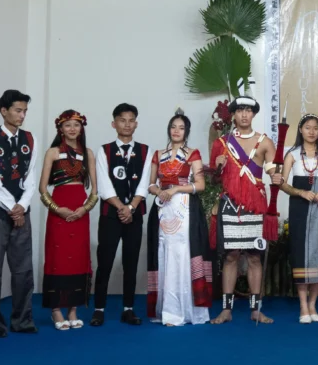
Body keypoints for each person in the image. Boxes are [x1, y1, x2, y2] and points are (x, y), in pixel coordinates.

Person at [209, 95, 278, 324]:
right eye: (240, 111)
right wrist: (217, 167)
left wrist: (277, 175)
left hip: (255, 205)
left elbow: (273, 172)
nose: (244, 115)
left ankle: (256, 310)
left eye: (248, 110)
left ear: (254, 114)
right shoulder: (221, 143)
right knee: (230, 256)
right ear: (233, 115)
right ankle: (226, 310)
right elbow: (213, 180)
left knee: (254, 257)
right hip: (230, 204)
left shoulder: (264, 142)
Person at [0, 89, 39, 337]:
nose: (22, 115)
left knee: (23, 269)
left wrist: (22, 206)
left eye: (25, 111)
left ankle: (22, 319)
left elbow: (30, 177)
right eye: (18, 110)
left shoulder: (30, 139)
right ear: (4, 111)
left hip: (21, 212)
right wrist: (13, 208)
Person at [146, 111, 212, 326]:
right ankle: (169, 310)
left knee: (183, 254)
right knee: (165, 253)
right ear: (169, 129)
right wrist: (160, 192)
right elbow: (151, 184)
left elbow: (200, 185)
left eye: (181, 128)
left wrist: (175, 189)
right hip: (163, 209)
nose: (176, 131)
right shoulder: (158, 154)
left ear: (186, 132)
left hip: (185, 209)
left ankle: (187, 310)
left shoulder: (193, 154)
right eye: (173, 127)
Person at [273, 114, 318, 324]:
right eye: (307, 127)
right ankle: (303, 305)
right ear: (300, 130)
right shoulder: (292, 154)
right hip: (299, 208)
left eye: (316, 128)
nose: (312, 131)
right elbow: (283, 184)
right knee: (301, 253)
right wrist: (301, 192)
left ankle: (313, 304)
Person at [92, 103, 152, 327]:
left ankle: (128, 308)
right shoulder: (104, 150)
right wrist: (121, 207)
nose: (127, 124)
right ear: (114, 123)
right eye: (122, 120)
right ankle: (99, 309)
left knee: (131, 261)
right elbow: (104, 185)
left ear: (136, 124)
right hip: (110, 215)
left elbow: (145, 183)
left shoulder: (145, 151)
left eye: (131, 120)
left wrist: (131, 208)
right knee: (105, 261)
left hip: (134, 215)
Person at [38, 109, 97, 330]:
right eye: (68, 125)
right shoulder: (52, 153)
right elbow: (42, 189)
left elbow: (95, 191)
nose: (72, 129)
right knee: (58, 258)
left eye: (76, 125)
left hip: (80, 211)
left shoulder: (88, 153)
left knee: (78, 258)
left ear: (81, 128)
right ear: (60, 129)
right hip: (59, 211)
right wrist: (57, 209)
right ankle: (56, 309)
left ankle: (73, 309)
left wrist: (84, 209)